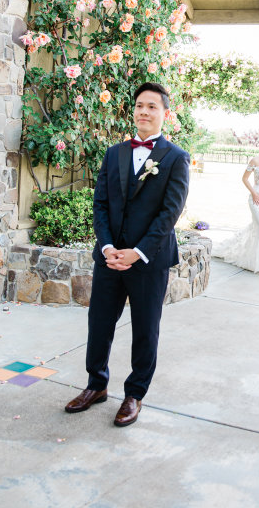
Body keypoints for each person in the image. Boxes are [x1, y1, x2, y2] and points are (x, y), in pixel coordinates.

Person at [65, 82, 190, 426]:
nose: (144, 112)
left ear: (165, 113)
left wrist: (136, 253)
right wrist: (106, 246)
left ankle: (134, 394)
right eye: (139, 105)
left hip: (148, 260)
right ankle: (96, 385)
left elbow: (170, 213)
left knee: (146, 329)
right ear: (132, 111)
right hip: (109, 258)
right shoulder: (114, 153)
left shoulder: (176, 158)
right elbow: (101, 203)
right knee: (100, 323)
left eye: (152, 106)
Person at [215, 133, 259, 275]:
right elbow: (245, 179)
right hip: (256, 198)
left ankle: (254, 259)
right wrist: (254, 193)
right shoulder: (255, 160)